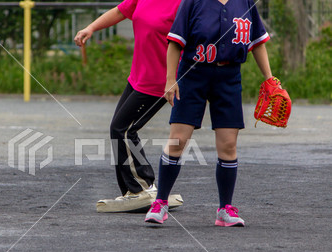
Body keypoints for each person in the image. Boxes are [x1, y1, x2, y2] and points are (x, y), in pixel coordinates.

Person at [145, 0, 273, 225]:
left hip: (229, 77)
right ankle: (161, 202)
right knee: (178, 140)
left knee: (228, 144)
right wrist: (170, 79)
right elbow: (175, 43)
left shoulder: (245, 3)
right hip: (193, 74)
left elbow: (258, 43)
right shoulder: (193, 2)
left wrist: (269, 79)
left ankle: (225, 209)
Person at [74, 0, 183, 213]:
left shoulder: (183, 3)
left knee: (123, 129)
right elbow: (119, 11)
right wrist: (91, 28)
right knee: (119, 129)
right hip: (138, 78)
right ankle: (133, 191)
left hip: (160, 81)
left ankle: (143, 187)